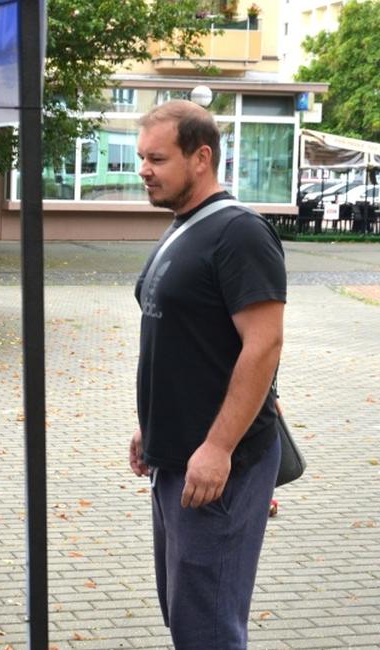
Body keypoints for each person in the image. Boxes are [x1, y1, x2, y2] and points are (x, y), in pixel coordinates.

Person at [129, 100, 286, 648]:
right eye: (141, 157)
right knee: (186, 615)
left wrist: (218, 447)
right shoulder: (183, 227)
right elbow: (185, 339)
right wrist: (152, 426)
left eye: (158, 158)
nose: (144, 169)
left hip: (220, 467)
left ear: (201, 157)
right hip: (176, 459)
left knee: (208, 628)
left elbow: (263, 345)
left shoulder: (239, 233)